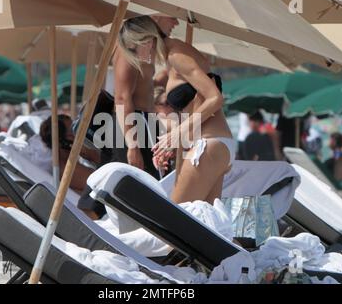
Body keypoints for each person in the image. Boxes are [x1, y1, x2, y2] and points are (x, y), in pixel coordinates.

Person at [118, 16, 235, 205]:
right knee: (204, 222)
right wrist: (176, 143)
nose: (137, 55)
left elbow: (215, 98)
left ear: (145, 40)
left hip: (209, 145)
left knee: (173, 219)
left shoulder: (176, 55)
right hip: (214, 144)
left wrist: (178, 134)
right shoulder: (173, 57)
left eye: (133, 49)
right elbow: (198, 104)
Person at [112, 15, 179, 179]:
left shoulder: (145, 47)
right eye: (172, 17)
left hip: (143, 122)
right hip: (133, 124)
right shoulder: (128, 49)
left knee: (154, 181)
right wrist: (133, 146)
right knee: (146, 184)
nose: (176, 22)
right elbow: (121, 98)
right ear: (156, 15)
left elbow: (142, 85)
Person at [39, 115, 102, 219]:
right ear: (63, 141)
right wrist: (93, 157)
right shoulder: (68, 169)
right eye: (73, 131)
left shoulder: (71, 164)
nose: (79, 133)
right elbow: (104, 182)